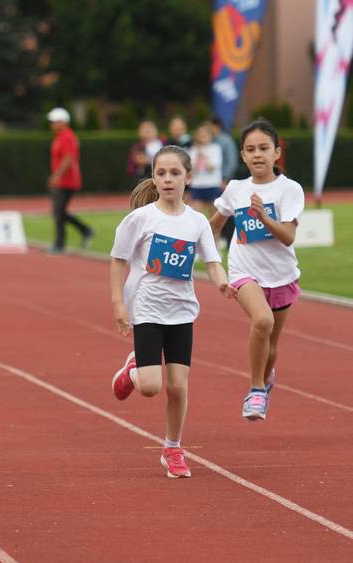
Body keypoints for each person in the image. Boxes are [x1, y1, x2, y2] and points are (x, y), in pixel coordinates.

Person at [110, 145, 236, 478]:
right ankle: (132, 372)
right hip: (147, 309)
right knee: (151, 387)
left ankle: (173, 448)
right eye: (161, 173)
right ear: (154, 177)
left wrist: (223, 283)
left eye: (175, 173)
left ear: (188, 178)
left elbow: (212, 263)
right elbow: (118, 259)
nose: (168, 180)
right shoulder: (141, 218)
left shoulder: (197, 222)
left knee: (178, 387)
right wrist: (118, 303)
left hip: (181, 312)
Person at [209, 118, 304, 422]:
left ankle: (264, 377)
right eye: (251, 149)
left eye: (264, 148)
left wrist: (264, 217)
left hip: (282, 274)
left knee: (271, 346)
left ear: (277, 152)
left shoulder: (289, 189)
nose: (257, 154)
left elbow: (288, 236)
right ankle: (255, 390)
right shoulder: (236, 189)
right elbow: (215, 224)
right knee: (261, 321)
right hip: (244, 270)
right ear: (242, 156)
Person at [46, 107, 93, 253]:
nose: (51, 124)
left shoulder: (67, 136)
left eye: (54, 121)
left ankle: (59, 244)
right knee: (59, 212)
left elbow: (68, 158)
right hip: (62, 180)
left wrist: (56, 176)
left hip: (67, 180)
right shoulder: (60, 136)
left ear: (63, 122)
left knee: (58, 212)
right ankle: (85, 230)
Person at [209, 116, 239, 249]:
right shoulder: (210, 141)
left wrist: (225, 179)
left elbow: (232, 161)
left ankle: (229, 240)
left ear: (217, 127)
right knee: (219, 212)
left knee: (228, 212)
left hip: (223, 182)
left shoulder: (226, 141)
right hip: (212, 183)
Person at [187, 123, 223, 216]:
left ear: (211, 136)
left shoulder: (215, 148)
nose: (202, 136)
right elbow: (191, 169)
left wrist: (201, 153)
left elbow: (212, 167)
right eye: (200, 134)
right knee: (196, 215)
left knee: (214, 216)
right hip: (197, 185)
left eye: (205, 134)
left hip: (212, 185)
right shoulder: (193, 150)